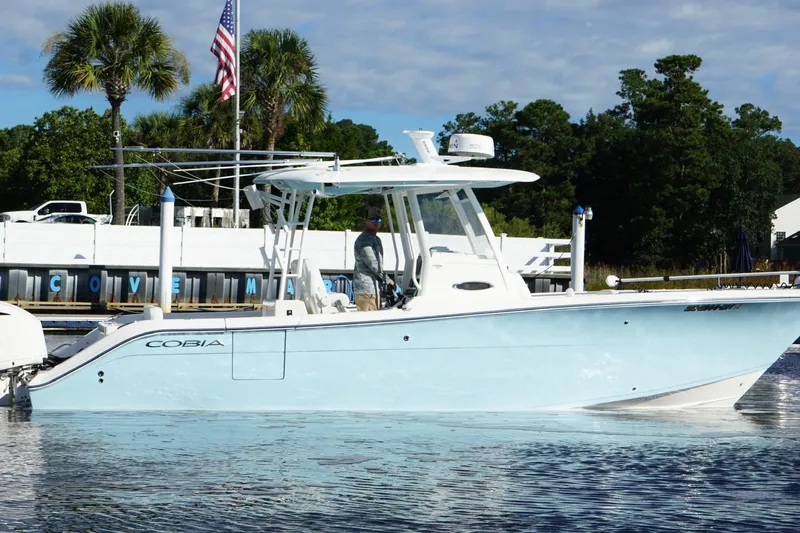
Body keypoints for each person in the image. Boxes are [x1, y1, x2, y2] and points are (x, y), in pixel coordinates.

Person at [353, 206, 394, 311]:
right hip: (366, 291)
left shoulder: (376, 239)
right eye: (372, 219)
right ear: (366, 221)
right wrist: (389, 280)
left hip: (375, 290)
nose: (376, 222)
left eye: (378, 220)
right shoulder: (364, 240)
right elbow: (373, 264)